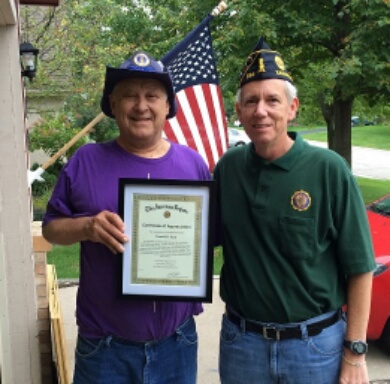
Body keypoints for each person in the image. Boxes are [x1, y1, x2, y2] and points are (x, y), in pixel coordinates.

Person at [42, 50, 211, 384]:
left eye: (152, 95)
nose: (141, 105)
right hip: (104, 348)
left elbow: (208, 241)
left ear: (167, 106)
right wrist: (87, 227)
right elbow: (51, 229)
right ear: (113, 105)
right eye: (130, 95)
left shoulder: (193, 165)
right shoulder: (86, 161)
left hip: (176, 343)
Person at [214, 38, 376, 384]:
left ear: (293, 108)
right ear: (239, 111)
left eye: (273, 100)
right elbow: (196, 239)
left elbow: (361, 267)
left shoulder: (329, 170)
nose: (261, 110)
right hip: (242, 346)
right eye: (251, 101)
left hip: (315, 349)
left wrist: (355, 352)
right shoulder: (228, 170)